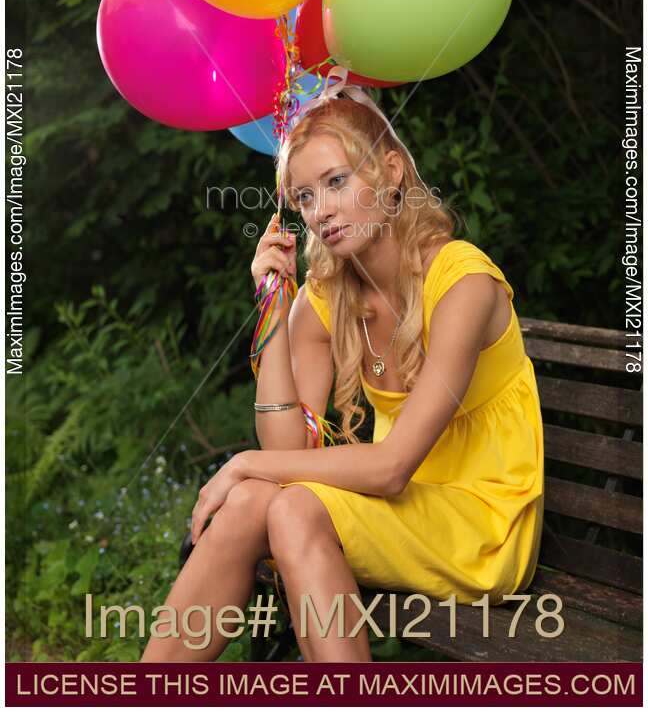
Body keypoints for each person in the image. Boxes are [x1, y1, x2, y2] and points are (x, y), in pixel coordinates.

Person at [140, 79, 544, 663]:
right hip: (403, 514)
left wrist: (243, 463)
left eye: (337, 182)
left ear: (391, 172)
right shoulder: (329, 296)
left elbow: (390, 469)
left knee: (287, 502)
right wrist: (275, 305)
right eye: (303, 197)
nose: (321, 211)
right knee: (261, 500)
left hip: (482, 526)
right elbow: (288, 446)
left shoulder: (463, 282)